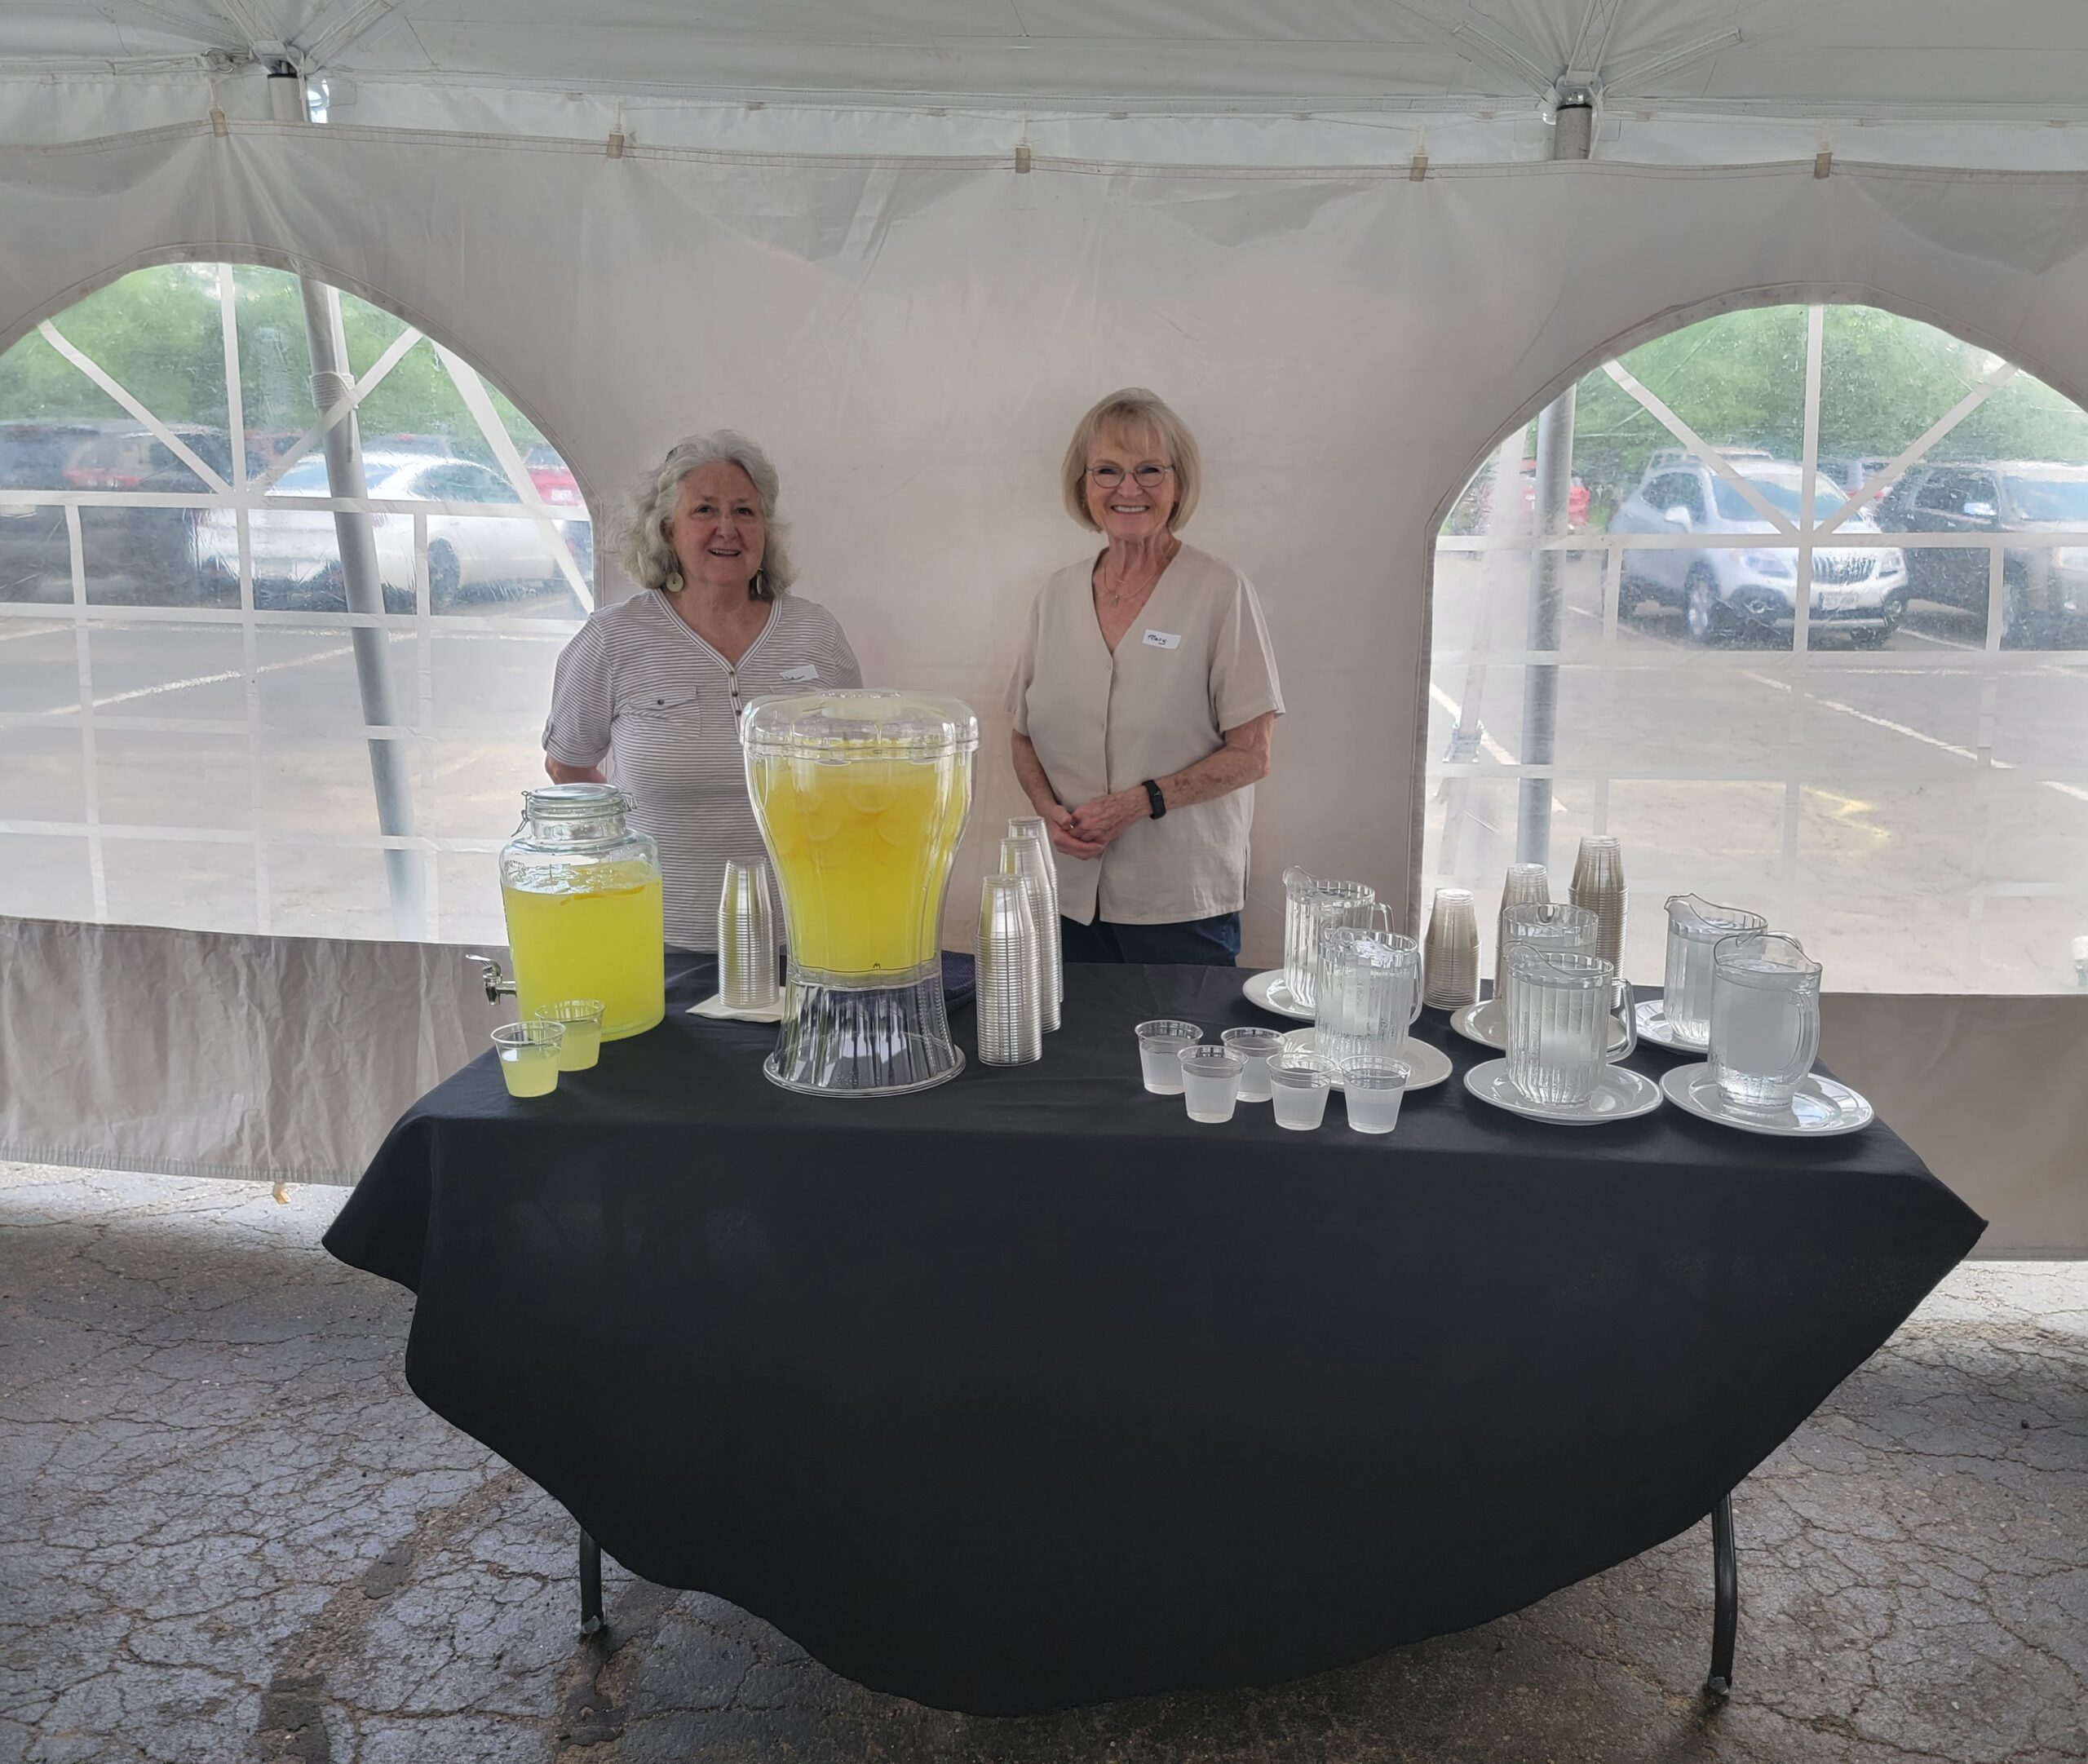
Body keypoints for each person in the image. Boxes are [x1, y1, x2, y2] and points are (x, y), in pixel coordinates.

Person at [542, 431, 860, 949]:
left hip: (803, 942)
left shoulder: (817, 634)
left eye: (744, 511)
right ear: (667, 530)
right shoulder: (612, 638)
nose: (727, 528)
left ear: (766, 529)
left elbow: (855, 771)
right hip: (658, 945)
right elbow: (568, 770)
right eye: (705, 510)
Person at [1006, 388, 1283, 966]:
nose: (1128, 489)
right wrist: (1046, 806)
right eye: (1107, 470)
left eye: (1149, 470)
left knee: (1178, 1056)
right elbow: (1022, 732)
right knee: (1075, 1055)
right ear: (1084, 485)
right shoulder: (1055, 595)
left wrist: (1140, 801)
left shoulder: (1220, 592)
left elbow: (1251, 755)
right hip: (1067, 897)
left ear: (1177, 483)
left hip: (1180, 907)